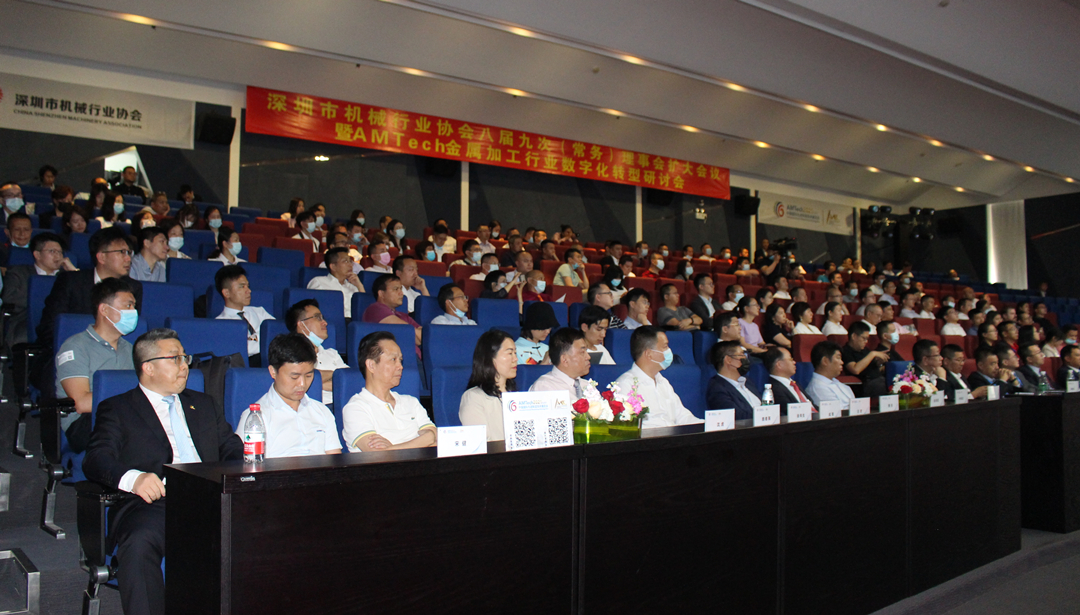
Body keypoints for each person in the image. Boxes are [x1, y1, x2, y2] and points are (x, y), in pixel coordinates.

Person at [83, 328, 242, 615]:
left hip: (212, 496)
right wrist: (135, 479)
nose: (185, 365)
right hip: (156, 503)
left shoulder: (203, 403)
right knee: (139, 542)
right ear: (148, 367)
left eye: (185, 357)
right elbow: (96, 458)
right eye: (175, 358)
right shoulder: (118, 408)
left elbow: (231, 447)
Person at [54, 278, 138, 453]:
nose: (134, 312)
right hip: (85, 422)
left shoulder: (131, 350)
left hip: (122, 417)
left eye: (134, 306)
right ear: (105, 309)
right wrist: (134, 399)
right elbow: (81, 402)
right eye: (128, 306)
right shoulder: (75, 347)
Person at [37, 226, 144, 351]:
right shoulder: (71, 281)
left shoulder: (133, 287)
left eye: (129, 253)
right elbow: (50, 327)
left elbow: (130, 330)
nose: (128, 259)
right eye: (122, 252)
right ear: (102, 257)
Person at [236, 333, 341, 458]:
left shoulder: (322, 411)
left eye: (308, 376)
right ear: (273, 372)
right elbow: (249, 464)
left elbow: (334, 460)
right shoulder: (256, 418)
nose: (302, 384)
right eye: (294, 377)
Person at [341, 331, 436, 452]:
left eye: (400, 360)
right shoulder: (356, 408)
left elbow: (437, 439)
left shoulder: (411, 402)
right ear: (371, 365)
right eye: (393, 359)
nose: (400, 366)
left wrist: (391, 449)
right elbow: (377, 454)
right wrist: (427, 438)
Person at [615, 326, 702, 429]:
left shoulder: (663, 382)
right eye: (665, 347)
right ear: (649, 354)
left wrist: (709, 426)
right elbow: (626, 427)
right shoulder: (625, 385)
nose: (669, 351)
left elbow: (682, 416)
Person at [2, 232, 76, 346]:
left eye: (60, 252)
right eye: (52, 251)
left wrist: (74, 273)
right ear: (37, 254)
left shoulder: (66, 276)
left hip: (58, 322)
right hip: (25, 320)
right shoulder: (18, 273)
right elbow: (9, 298)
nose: (58, 256)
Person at [460, 329, 519, 441]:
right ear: (490, 358)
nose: (515, 359)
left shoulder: (515, 395)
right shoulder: (474, 397)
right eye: (510, 353)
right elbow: (480, 443)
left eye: (515, 353)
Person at [285, 299, 347, 405]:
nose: (325, 323)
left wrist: (318, 382)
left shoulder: (332, 353)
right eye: (318, 318)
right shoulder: (290, 353)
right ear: (301, 325)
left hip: (342, 405)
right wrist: (336, 374)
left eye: (323, 318)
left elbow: (349, 380)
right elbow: (299, 380)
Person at [215, 265, 274, 368]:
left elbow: (277, 335)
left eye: (248, 286)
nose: (249, 290)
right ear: (226, 293)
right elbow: (240, 352)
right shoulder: (221, 323)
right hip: (247, 366)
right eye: (242, 286)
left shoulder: (259, 312)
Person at [361, 274, 423, 349]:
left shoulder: (403, 315)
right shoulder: (375, 309)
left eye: (401, 289)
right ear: (381, 294)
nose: (401, 293)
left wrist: (415, 334)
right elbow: (408, 332)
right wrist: (416, 333)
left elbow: (424, 336)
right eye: (396, 289)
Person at [530, 328, 595, 397]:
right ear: (565, 360)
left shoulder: (587, 385)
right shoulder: (545, 387)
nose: (588, 357)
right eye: (582, 352)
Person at [705, 340, 761, 420]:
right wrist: (765, 414)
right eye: (742, 355)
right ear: (729, 360)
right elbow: (736, 417)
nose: (745, 358)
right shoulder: (717, 388)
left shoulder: (748, 382)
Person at [307, 247, 365, 318]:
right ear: (333, 266)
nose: (350, 265)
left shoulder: (354, 287)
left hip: (354, 321)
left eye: (350, 261)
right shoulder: (319, 282)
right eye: (345, 261)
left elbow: (364, 310)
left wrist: (360, 286)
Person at [841, 321, 890, 397]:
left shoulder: (865, 350)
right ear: (854, 336)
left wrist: (879, 362)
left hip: (878, 379)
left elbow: (874, 367)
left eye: (867, 339)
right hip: (865, 384)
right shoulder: (846, 351)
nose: (866, 342)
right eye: (864, 338)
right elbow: (855, 369)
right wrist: (872, 354)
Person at [763, 346, 815, 415]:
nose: (794, 362)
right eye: (790, 359)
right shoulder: (774, 390)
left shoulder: (794, 384)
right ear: (779, 364)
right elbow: (791, 413)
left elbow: (812, 406)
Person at [805, 341, 856, 410]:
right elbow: (838, 413)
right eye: (838, 358)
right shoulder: (818, 388)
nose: (842, 362)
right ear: (825, 361)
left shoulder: (841, 385)